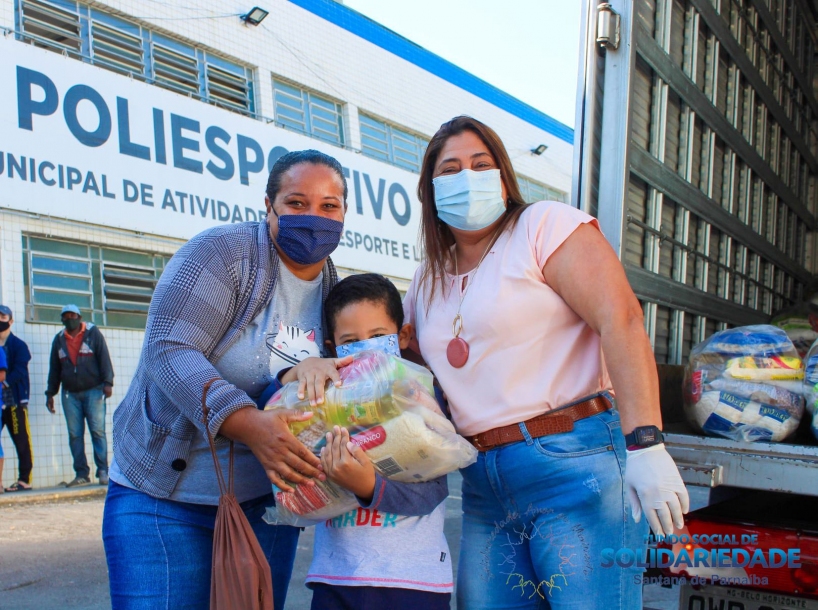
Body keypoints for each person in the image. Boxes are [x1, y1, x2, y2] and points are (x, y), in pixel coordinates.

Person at [402, 116, 690, 609]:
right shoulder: (426, 277)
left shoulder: (542, 225)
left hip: (574, 465)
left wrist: (646, 443)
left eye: (480, 164)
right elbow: (399, 367)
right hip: (483, 484)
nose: (466, 178)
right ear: (430, 190)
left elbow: (620, 319)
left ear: (503, 176)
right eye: (449, 169)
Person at [102, 149, 355, 610]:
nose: (313, 218)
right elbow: (168, 347)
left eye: (328, 206)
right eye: (297, 203)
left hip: (266, 506)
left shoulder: (338, 296)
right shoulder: (221, 254)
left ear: (343, 215)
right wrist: (247, 423)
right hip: (164, 497)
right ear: (269, 205)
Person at [274, 273, 452, 609]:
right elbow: (272, 411)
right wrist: (297, 371)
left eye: (378, 336)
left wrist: (368, 486)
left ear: (402, 336)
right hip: (334, 578)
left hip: (412, 583)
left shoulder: (420, 398)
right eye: (351, 341)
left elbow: (433, 493)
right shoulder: (326, 399)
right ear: (333, 349)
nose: (366, 348)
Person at [45, 304, 114, 487]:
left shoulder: (93, 334)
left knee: (97, 431)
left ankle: (103, 471)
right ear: (62, 320)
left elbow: (104, 358)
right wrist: (50, 393)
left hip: (94, 390)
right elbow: (54, 369)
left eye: (73, 316)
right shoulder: (59, 340)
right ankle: (81, 473)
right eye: (66, 316)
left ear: (79, 317)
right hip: (70, 394)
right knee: (75, 434)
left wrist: (108, 382)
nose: (70, 319)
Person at [0, 305, 33, 492]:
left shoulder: (18, 345)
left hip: (14, 402)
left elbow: (20, 370)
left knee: (21, 440)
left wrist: (4, 383)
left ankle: (24, 480)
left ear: (11, 321)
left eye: (3, 317)